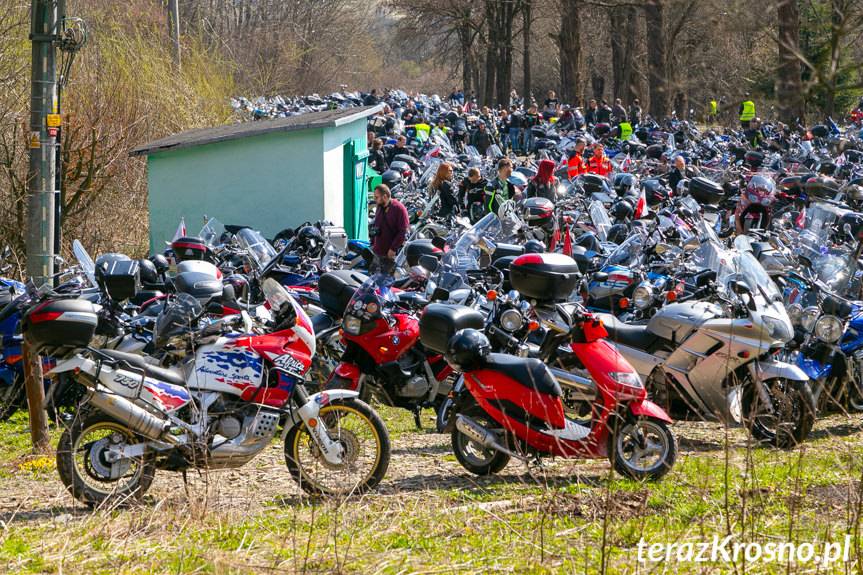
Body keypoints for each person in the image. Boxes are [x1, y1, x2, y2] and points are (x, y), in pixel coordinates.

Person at [370, 184, 409, 276]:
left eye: (376, 197)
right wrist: (373, 242)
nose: (374, 199)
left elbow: (403, 232)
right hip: (378, 251)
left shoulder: (399, 209)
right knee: (373, 278)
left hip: (390, 254)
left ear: (385, 196)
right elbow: (377, 225)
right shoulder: (380, 206)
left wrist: (393, 249)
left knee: (386, 280)